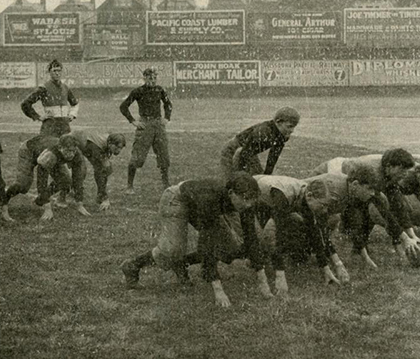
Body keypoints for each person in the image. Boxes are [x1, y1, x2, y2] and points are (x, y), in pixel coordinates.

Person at [120, 173, 271, 308]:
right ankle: (133, 265)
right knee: (171, 251)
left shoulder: (245, 202)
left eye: (251, 200)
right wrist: (218, 290)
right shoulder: (210, 199)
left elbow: (251, 238)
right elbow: (207, 243)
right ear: (231, 193)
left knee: (229, 250)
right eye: (245, 200)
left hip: (199, 202)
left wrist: (263, 282)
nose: (248, 205)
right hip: (178, 199)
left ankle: (181, 264)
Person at [312, 149, 420, 260]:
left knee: (373, 205)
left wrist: (411, 235)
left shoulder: (388, 172)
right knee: (331, 217)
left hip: (349, 178)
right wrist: (404, 238)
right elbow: (381, 209)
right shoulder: (375, 173)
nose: (405, 173)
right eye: (402, 169)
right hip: (330, 172)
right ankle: (328, 250)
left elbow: (396, 204)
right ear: (389, 167)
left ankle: (355, 248)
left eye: (407, 170)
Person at [252, 175, 349, 292]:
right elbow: (275, 234)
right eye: (323, 205)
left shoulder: (306, 198)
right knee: (266, 237)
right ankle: (257, 260)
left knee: (299, 224)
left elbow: (315, 233)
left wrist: (325, 269)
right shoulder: (284, 196)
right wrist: (280, 274)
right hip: (255, 201)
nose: (324, 210)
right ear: (309, 196)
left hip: (270, 204)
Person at [0, 133, 88, 222]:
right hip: (29, 151)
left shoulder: (77, 154)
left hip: (49, 152)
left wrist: (79, 204)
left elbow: (78, 178)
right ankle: (4, 202)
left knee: (65, 181)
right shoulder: (50, 154)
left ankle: (40, 200)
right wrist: (47, 207)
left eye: (73, 151)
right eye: (67, 151)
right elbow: (42, 180)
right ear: (60, 148)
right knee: (23, 185)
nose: (71, 154)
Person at [120, 67, 172, 195]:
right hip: (145, 124)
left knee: (163, 155)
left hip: (158, 125)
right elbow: (123, 106)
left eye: (154, 78)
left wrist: (166, 118)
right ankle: (129, 186)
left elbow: (168, 104)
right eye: (150, 78)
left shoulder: (160, 90)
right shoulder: (139, 91)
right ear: (144, 78)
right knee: (137, 157)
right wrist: (133, 121)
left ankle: (166, 184)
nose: (152, 80)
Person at [219, 107, 299, 181]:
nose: (292, 130)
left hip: (248, 151)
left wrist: (268, 175)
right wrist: (241, 176)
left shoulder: (283, 135)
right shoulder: (263, 132)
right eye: (289, 126)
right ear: (278, 122)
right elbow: (242, 155)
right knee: (231, 180)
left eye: (293, 127)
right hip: (233, 150)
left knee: (260, 178)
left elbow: (273, 156)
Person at [70, 130, 127, 210]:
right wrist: (105, 197)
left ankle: (99, 195)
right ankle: (64, 195)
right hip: (74, 143)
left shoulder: (107, 142)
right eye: (117, 147)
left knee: (107, 169)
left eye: (120, 148)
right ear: (110, 143)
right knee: (81, 170)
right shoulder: (97, 148)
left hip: (86, 141)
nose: (118, 150)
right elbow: (99, 172)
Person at [21, 59, 79, 137]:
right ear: (49, 72)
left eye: (59, 71)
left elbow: (75, 103)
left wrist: (72, 115)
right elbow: (25, 104)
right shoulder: (44, 88)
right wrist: (38, 117)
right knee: (48, 147)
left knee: (67, 146)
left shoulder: (65, 88)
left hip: (65, 127)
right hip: (50, 127)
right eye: (54, 71)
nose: (57, 73)